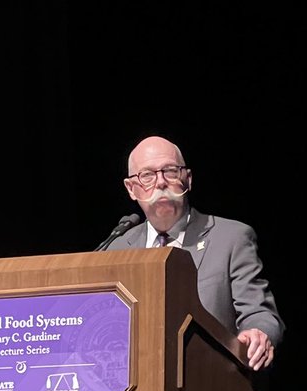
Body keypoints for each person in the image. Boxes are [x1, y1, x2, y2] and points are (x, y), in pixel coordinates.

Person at [102, 135, 284, 372]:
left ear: (187, 179)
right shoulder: (115, 250)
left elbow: (260, 313)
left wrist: (259, 332)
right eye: (147, 175)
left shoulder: (231, 238)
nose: (160, 182)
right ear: (131, 189)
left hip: (213, 385)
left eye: (170, 171)